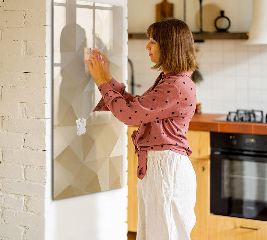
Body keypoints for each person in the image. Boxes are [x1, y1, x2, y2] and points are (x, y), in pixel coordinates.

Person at [85, 18, 198, 240]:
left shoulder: (175, 85)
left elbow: (129, 115)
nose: (147, 46)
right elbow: (137, 107)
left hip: (166, 170)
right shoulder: (171, 80)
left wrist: (101, 82)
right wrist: (107, 77)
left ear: (169, 45)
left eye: (153, 41)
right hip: (160, 168)